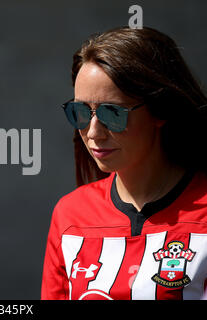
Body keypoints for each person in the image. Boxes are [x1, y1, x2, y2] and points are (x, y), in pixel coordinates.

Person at [41, 26, 207, 300]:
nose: (93, 132)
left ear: (160, 110)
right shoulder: (69, 216)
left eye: (112, 113)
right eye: (80, 112)